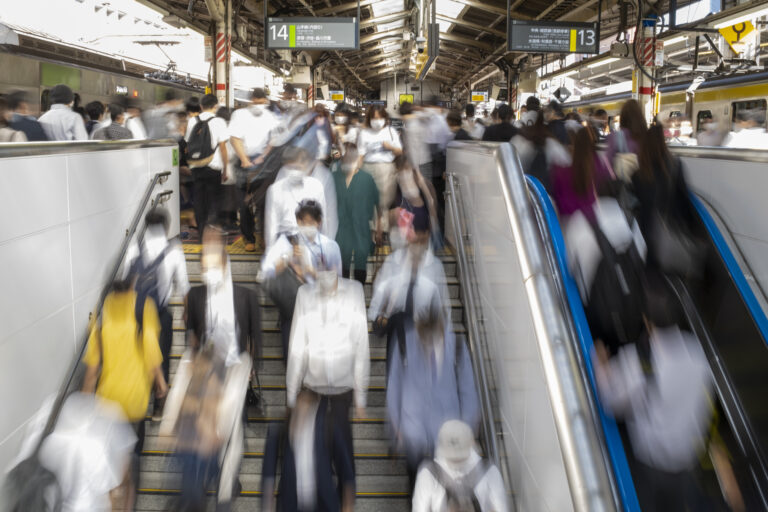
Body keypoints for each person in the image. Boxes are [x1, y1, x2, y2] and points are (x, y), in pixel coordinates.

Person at [593, 281, 716, 511]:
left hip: (650, 465)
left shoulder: (639, 362)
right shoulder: (698, 354)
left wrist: (601, 365)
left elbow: (610, 402)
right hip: (685, 464)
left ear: (647, 322)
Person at [184, 225, 262, 510]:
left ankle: (228, 478)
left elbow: (254, 334)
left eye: (213, 262)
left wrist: (254, 368)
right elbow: (192, 334)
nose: (209, 268)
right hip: (209, 372)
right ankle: (218, 475)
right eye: (205, 263)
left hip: (236, 369)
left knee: (235, 426)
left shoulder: (246, 296)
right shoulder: (194, 296)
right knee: (211, 424)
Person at [286, 264, 370, 512]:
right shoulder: (305, 294)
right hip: (314, 392)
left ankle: (345, 506)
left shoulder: (354, 292)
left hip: (343, 392)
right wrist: (292, 394)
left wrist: (361, 395)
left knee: (344, 456)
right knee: (315, 456)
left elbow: (361, 344)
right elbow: (297, 345)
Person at [81, 277, 167, 511]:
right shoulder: (143, 306)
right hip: (134, 400)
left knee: (109, 458)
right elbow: (150, 350)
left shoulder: (100, 315)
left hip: (105, 402)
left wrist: (84, 405)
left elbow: (92, 369)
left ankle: (112, 501)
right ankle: (128, 503)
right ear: (131, 288)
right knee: (129, 454)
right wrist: (161, 382)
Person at [387, 279, 479, 488]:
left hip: (448, 440)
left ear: (440, 328)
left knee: (446, 496)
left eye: (430, 338)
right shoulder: (404, 343)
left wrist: (468, 429)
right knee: (417, 492)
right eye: (422, 336)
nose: (425, 343)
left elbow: (468, 390)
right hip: (414, 437)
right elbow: (394, 388)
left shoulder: (456, 345)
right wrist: (396, 428)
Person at [123, 208, 190, 418]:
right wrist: (187, 312)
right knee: (161, 355)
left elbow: (126, 283)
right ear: (167, 226)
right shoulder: (174, 251)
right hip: (159, 314)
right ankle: (159, 405)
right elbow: (184, 286)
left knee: (138, 357)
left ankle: (139, 400)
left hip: (134, 315)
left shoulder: (135, 249)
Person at [261, 199, 342, 355]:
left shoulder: (330, 246)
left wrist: (312, 273)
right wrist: (286, 260)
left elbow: (338, 283)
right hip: (292, 311)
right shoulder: (287, 242)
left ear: (319, 222)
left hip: (320, 311)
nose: (306, 226)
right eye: (302, 221)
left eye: (311, 222)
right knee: (292, 360)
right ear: (297, 221)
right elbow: (266, 273)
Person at [633, 123, 699, 273]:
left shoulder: (638, 173)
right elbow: (684, 200)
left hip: (645, 235)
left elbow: (635, 204)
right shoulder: (676, 166)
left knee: (651, 275)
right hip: (670, 229)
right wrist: (693, 229)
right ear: (663, 142)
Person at [261, 389, 340, 512]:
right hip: (291, 502)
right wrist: (267, 504)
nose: (303, 407)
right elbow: (268, 470)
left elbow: (344, 467)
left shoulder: (327, 426)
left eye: (308, 404)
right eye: (301, 401)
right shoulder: (279, 427)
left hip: (323, 502)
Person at [412, 420, 508, 512]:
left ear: (471, 444)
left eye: (459, 455)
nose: (456, 460)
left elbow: (502, 508)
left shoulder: (489, 471)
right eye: (452, 457)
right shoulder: (428, 473)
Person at [229, 88, 279, 252]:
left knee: (264, 204)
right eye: (257, 102)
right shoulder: (240, 115)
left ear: (265, 101)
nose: (260, 105)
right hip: (243, 163)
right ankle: (249, 238)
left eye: (262, 102)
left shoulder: (270, 117)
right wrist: (244, 159)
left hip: (263, 163)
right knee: (244, 205)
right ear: (252, 101)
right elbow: (235, 138)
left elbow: (273, 140)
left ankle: (264, 238)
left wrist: (263, 156)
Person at [334, 144, 381, 284]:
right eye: (346, 157)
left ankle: (359, 293)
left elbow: (378, 204)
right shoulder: (334, 178)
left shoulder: (366, 179)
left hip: (361, 229)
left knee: (361, 265)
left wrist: (378, 228)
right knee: (343, 266)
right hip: (341, 230)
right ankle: (345, 298)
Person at [263, 146, 327, 248]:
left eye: (298, 168)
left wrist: (324, 245)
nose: (294, 172)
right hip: (284, 240)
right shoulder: (275, 190)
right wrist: (270, 252)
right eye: (290, 168)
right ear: (284, 167)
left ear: (306, 166)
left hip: (310, 239)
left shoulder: (316, 186)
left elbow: (322, 219)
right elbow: (271, 226)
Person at [186, 93, 230, 232]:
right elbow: (223, 147)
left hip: (196, 165)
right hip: (213, 166)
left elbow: (188, 143)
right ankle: (212, 228)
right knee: (214, 198)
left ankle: (201, 229)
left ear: (201, 106)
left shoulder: (192, 121)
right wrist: (225, 169)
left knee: (199, 199)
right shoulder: (219, 122)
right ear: (215, 106)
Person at [551, 126, 613, 221]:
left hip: (569, 227)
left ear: (575, 143)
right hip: (597, 223)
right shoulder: (601, 165)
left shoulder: (560, 173)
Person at [357, 104, 403, 233]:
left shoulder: (390, 131)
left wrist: (390, 147)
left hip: (386, 168)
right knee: (369, 199)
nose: (376, 121)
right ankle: (372, 229)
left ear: (384, 117)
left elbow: (400, 151)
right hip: (367, 168)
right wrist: (356, 172)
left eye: (379, 118)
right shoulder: (364, 133)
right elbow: (361, 154)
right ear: (369, 119)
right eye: (373, 118)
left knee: (383, 200)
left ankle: (382, 228)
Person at [510, 108, 571, 192]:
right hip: (544, 193)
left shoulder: (519, 138)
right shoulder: (550, 142)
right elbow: (566, 163)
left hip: (520, 190)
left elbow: (511, 166)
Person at [605, 99, 646, 180]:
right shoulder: (647, 136)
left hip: (623, 185)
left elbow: (607, 164)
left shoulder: (615, 136)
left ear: (623, 117)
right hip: (643, 184)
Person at [399, 101, 432, 181]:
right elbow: (431, 114)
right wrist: (420, 110)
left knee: (424, 188)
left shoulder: (409, 128)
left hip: (418, 164)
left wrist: (414, 168)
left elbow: (412, 150)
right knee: (428, 187)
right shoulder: (420, 120)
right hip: (426, 160)